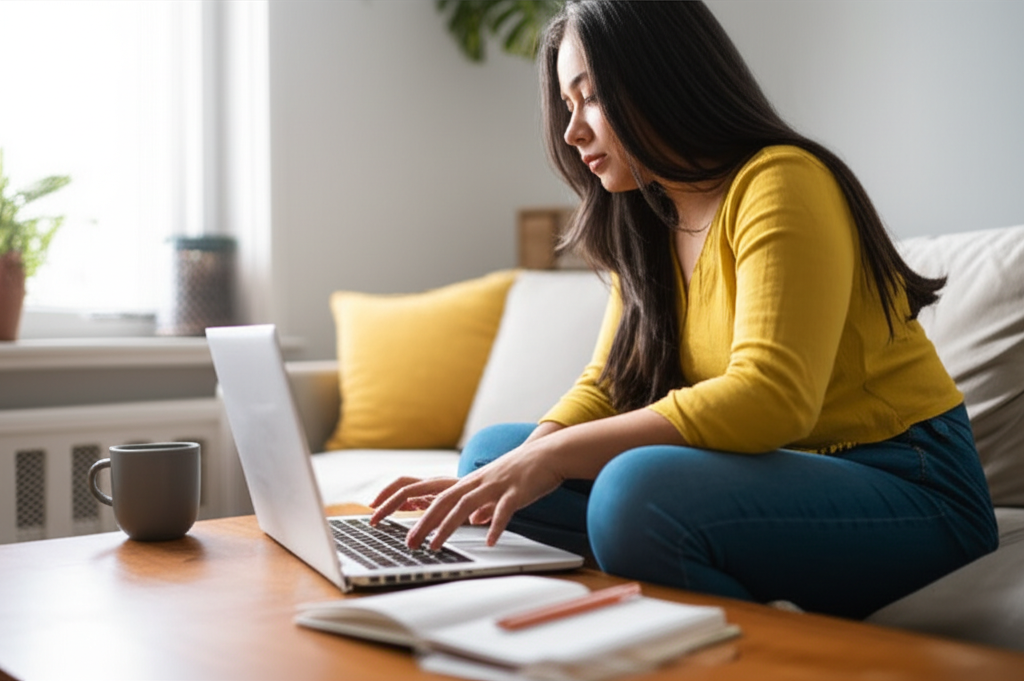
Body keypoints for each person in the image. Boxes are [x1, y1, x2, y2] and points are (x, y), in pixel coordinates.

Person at [370, 0, 997, 619]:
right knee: (489, 458)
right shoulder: (649, 215)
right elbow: (609, 384)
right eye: (567, 105)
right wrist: (531, 455)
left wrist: (554, 459)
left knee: (634, 492)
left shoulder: (781, 180)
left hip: (908, 479)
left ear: (660, 77)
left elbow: (771, 398)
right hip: (778, 471)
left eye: (589, 97)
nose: (572, 131)